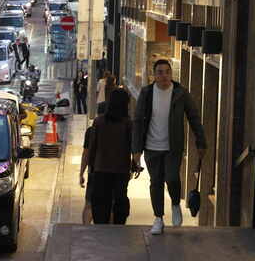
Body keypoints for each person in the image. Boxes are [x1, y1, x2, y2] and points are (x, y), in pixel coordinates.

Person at [132, 59, 207, 235]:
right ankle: (158, 218)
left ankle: (175, 203)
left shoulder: (180, 93)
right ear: (154, 75)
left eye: (167, 71)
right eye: (160, 72)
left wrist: (201, 141)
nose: (164, 75)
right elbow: (137, 122)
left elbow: (194, 117)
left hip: (173, 147)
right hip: (151, 147)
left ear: (171, 74)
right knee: (155, 182)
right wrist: (136, 150)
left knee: (172, 177)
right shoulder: (147, 93)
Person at [88, 88, 136, 224]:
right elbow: (131, 146)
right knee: (120, 198)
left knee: (101, 200)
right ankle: (119, 224)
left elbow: (93, 147)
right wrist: (134, 164)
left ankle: (101, 225)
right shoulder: (127, 124)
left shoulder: (99, 122)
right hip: (121, 169)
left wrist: (91, 167)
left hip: (101, 168)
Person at [79, 102, 107, 224]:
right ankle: (112, 232)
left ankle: (85, 229)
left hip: (94, 171)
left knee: (89, 203)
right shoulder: (118, 129)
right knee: (109, 205)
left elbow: (86, 154)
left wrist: (81, 173)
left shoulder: (91, 130)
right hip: (112, 172)